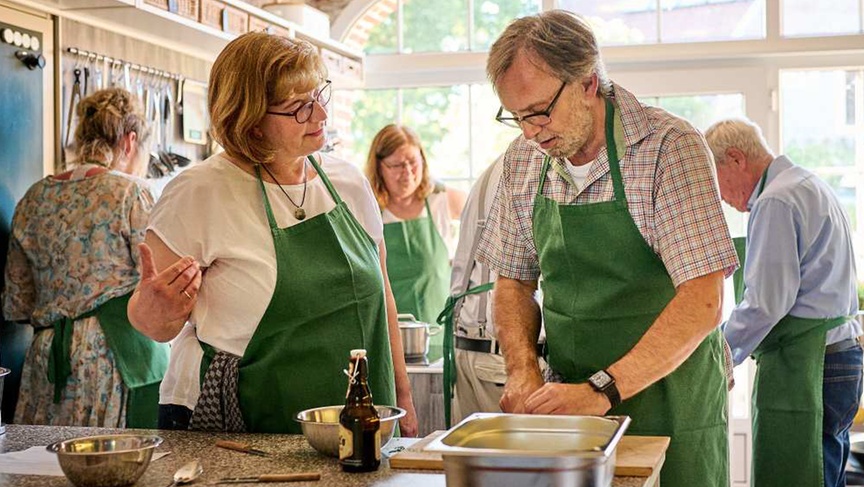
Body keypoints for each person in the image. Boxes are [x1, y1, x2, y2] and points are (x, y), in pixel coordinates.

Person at [478, 10, 738, 487]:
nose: (531, 132)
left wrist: (604, 390)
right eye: (516, 117)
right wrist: (523, 368)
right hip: (573, 413)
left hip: (673, 404)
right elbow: (512, 280)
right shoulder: (522, 161)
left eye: (539, 112)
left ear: (589, 82)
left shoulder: (669, 149)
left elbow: (703, 301)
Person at [127, 32, 418, 437]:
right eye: (299, 108)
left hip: (361, 416)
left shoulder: (347, 181)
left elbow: (383, 292)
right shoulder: (200, 192)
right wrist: (154, 308)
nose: (321, 116)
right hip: (243, 421)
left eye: (319, 96)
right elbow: (153, 323)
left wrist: (402, 395)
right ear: (251, 122)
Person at [705, 118, 863, 487]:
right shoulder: (808, 184)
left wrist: (716, 354)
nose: (720, 198)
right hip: (841, 358)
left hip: (812, 365)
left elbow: (764, 303)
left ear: (736, 159)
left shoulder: (776, 200)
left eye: (715, 180)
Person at [3, 87, 168, 428]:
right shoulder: (131, 193)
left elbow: (17, 305)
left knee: (41, 469)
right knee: (111, 467)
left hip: (46, 361)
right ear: (129, 141)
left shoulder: (33, 198)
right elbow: (159, 286)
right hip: (112, 363)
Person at [440, 154, 548, 426]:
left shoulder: (495, 169)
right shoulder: (527, 168)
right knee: (515, 462)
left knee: (477, 461)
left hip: (473, 348)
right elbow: (519, 280)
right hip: (499, 355)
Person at [365, 125, 465, 362]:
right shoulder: (368, 208)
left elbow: (489, 221)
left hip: (439, 336)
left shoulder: (441, 199)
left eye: (413, 162)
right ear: (379, 167)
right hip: (388, 339)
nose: (408, 172)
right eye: (397, 165)